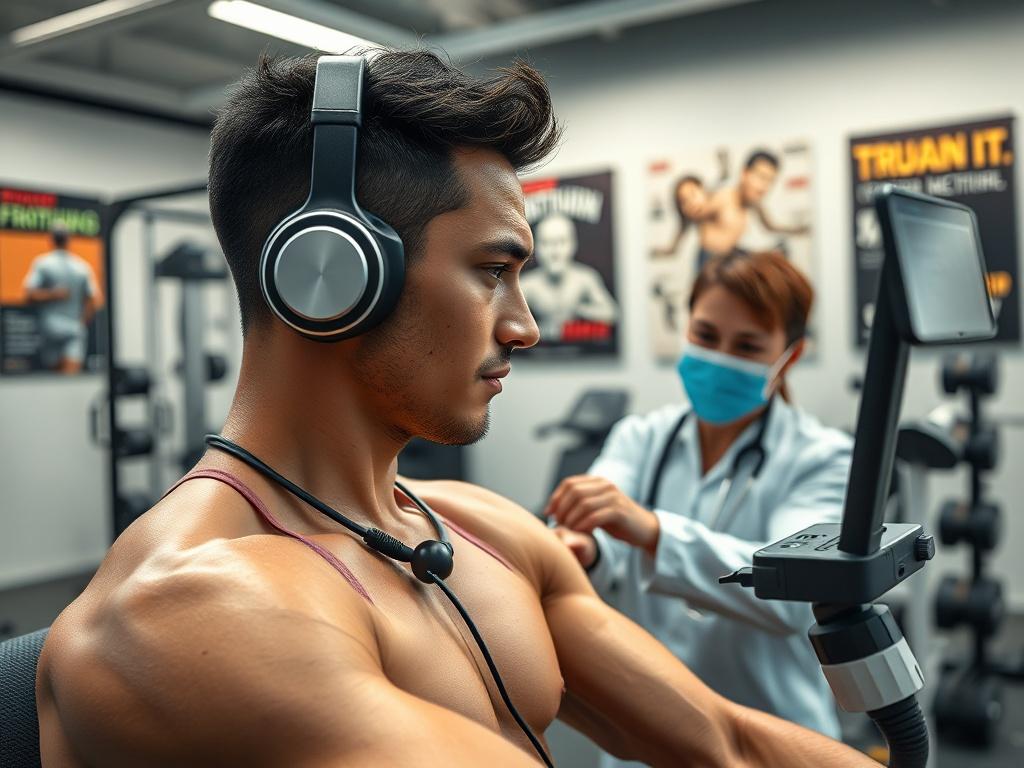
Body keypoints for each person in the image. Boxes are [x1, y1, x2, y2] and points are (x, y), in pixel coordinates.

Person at [37, 53, 875, 768]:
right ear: (335, 273)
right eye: (492, 271)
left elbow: (726, 745)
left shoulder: (480, 532)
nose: (526, 325)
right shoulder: (193, 611)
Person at [548, 251, 851, 766]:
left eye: (748, 346)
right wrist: (586, 548)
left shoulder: (823, 459)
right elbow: (599, 526)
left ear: (789, 357)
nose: (721, 357)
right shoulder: (642, 437)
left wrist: (653, 531)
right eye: (706, 336)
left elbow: (791, 595)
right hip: (647, 731)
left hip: (772, 733)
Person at [682, 150, 809, 269]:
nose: (764, 187)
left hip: (728, 261)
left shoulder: (753, 204)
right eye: (761, 177)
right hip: (709, 264)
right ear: (744, 173)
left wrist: (798, 230)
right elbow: (695, 212)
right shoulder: (723, 198)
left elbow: (770, 226)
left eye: (770, 181)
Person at [520, 211, 618, 340]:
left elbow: (612, 313)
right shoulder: (527, 285)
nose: (555, 252)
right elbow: (503, 319)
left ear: (573, 245)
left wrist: (579, 310)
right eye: (546, 243)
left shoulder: (585, 278)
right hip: (538, 357)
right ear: (535, 248)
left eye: (561, 242)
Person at [22, 221, 101, 374]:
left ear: (51, 239)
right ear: (68, 240)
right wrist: (81, 322)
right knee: (65, 379)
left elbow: (29, 294)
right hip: (62, 329)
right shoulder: (80, 267)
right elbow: (92, 300)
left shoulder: (46, 264)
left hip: (55, 328)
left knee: (58, 379)